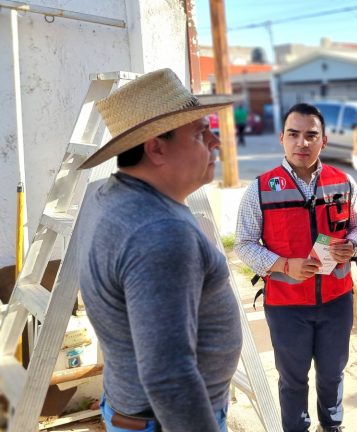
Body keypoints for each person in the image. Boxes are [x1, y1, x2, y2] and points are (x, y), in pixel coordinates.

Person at [75, 68, 242, 431]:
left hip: (136, 411)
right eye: (200, 133)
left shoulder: (112, 195)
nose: (214, 141)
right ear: (156, 148)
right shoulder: (160, 232)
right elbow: (169, 375)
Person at [235, 102, 357, 432]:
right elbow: (243, 243)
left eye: (311, 135)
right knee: (293, 379)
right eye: (294, 135)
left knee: (333, 373)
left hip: (337, 300)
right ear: (282, 138)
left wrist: (351, 245)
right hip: (286, 306)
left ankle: (331, 424)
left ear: (323, 141)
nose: (302, 143)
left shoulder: (344, 183)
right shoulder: (260, 189)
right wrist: (282, 264)